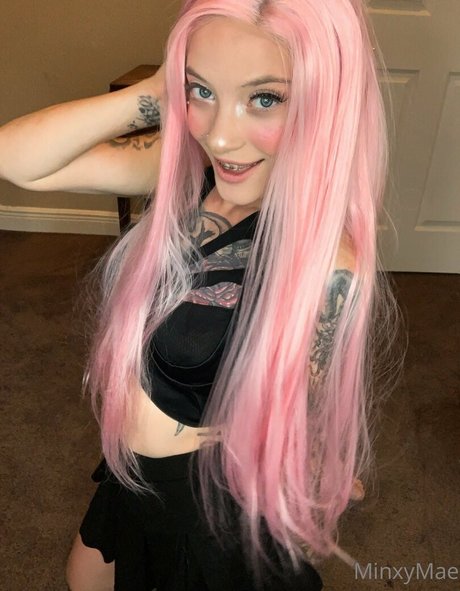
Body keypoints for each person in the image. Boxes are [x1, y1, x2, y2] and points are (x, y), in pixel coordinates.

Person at [0, 0, 401, 589]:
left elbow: (304, 403)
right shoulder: (188, 172)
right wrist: (159, 90)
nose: (220, 135)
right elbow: (16, 161)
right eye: (203, 91)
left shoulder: (327, 265)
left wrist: (318, 473)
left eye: (265, 98)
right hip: (130, 469)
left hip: (201, 498)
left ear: (326, 105)